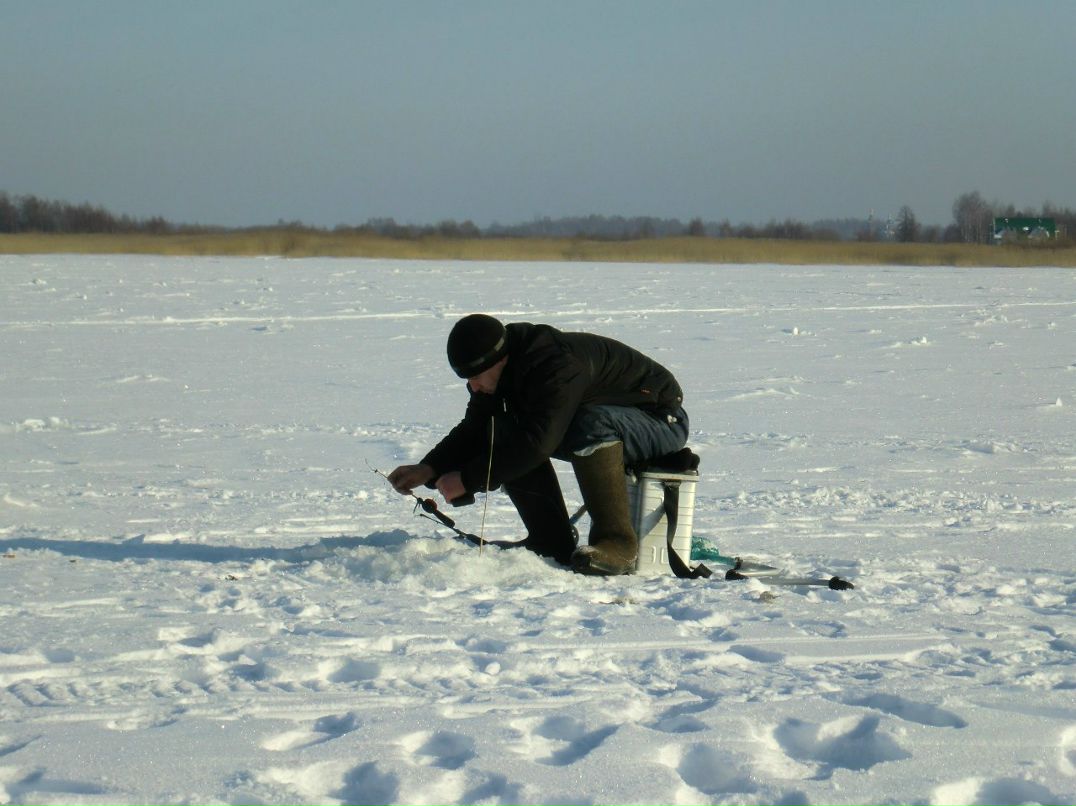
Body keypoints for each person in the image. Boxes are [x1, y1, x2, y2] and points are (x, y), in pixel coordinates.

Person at [388, 314, 692, 576]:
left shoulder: (556, 365)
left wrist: (468, 480)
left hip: (660, 420)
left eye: (476, 377)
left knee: (588, 424)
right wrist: (428, 468)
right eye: (467, 380)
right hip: (608, 419)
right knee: (506, 429)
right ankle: (550, 541)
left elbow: (538, 444)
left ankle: (618, 544)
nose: (473, 386)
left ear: (500, 360)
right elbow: (478, 428)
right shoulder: (501, 372)